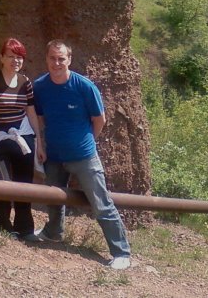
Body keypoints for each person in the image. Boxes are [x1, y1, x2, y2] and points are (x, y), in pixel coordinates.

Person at [31, 39, 132, 270]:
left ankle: (121, 253)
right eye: (52, 58)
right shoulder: (40, 87)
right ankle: (53, 233)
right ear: (46, 59)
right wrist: (41, 145)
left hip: (84, 156)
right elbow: (40, 118)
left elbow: (99, 119)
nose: (57, 63)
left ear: (69, 60)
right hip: (54, 155)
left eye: (61, 58)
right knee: (53, 199)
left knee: (101, 203)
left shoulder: (84, 86)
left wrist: (86, 142)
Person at [0, 38, 41, 241]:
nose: (16, 61)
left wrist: (39, 141)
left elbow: (31, 113)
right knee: (1, 183)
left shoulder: (25, 82)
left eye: (19, 57)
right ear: (2, 58)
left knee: (25, 183)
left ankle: (25, 228)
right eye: (11, 56)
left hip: (22, 136)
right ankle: (3, 224)